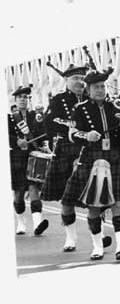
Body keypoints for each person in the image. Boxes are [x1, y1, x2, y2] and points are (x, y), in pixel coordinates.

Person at [62, 67, 120, 260]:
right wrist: (86, 135)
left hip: (114, 158)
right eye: (96, 87)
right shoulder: (80, 109)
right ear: (88, 89)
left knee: (118, 204)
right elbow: (72, 134)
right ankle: (97, 247)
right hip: (92, 158)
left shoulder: (117, 107)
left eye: (103, 86)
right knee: (94, 206)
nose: (101, 90)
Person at [41, 64, 111, 252]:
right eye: (75, 79)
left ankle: (100, 235)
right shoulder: (58, 100)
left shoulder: (93, 99)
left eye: (82, 78)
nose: (80, 82)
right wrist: (76, 129)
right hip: (67, 150)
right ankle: (70, 238)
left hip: (92, 151)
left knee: (97, 195)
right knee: (67, 199)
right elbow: (51, 122)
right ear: (66, 81)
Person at [9, 85, 49, 236]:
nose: (23, 100)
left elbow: (43, 134)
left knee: (34, 189)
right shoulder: (10, 118)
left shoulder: (36, 117)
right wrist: (16, 141)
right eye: (20, 98)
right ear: (15, 100)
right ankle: (20, 223)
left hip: (33, 156)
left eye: (25, 97)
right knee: (19, 193)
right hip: (17, 157)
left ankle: (38, 224)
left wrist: (44, 145)